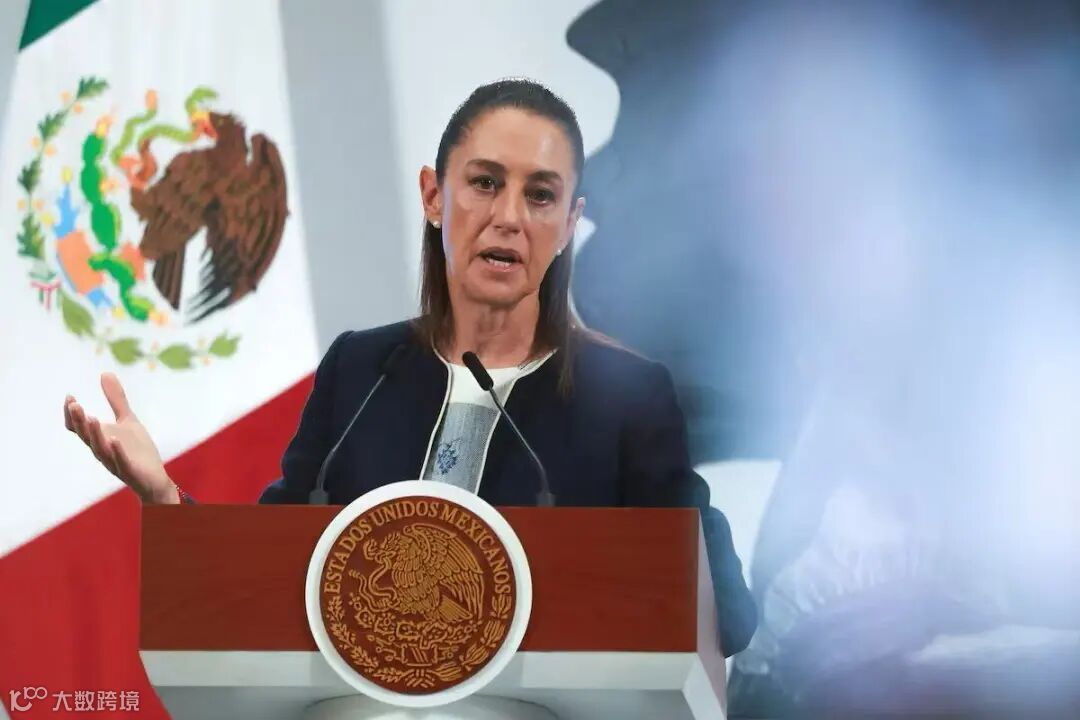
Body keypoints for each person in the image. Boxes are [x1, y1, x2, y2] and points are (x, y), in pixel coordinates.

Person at [61, 78, 757, 656]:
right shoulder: (362, 370)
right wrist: (164, 499)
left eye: (540, 195)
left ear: (569, 222)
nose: (509, 217)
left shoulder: (626, 397)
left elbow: (727, 619)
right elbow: (266, 582)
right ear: (433, 196)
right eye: (484, 183)